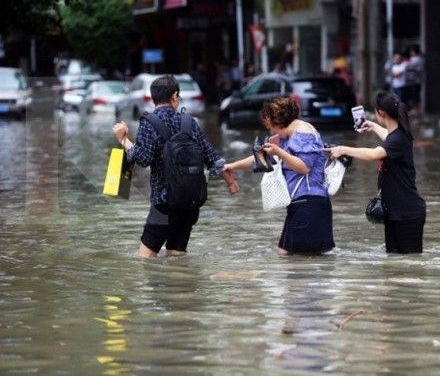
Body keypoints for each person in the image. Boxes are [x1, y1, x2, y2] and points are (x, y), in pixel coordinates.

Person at [112, 75, 239, 258]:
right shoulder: (189, 122)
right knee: (177, 259)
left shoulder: (148, 123)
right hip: (190, 204)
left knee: (144, 260)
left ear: (153, 97)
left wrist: (123, 139)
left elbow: (142, 158)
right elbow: (211, 156)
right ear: (175, 96)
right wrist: (230, 182)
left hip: (164, 206)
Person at [223, 97, 334, 255]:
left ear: (278, 121)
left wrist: (278, 151)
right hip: (303, 204)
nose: (271, 132)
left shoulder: (303, 132)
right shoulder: (289, 137)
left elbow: (304, 167)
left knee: (292, 261)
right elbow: (263, 158)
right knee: (298, 260)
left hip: (309, 204)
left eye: (271, 127)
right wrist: (233, 166)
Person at [325, 92, 426, 254]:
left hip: (406, 214)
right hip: (397, 211)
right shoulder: (399, 135)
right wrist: (372, 126)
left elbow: (373, 154)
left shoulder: (398, 139)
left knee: (408, 265)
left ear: (381, 113)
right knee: (396, 263)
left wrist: (343, 149)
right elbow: (388, 137)